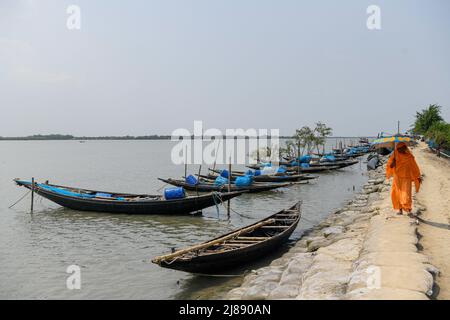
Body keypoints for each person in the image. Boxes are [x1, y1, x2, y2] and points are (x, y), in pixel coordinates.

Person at [386, 142, 422, 215]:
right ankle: (400, 210)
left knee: (406, 194)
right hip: (397, 177)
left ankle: (408, 209)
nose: (399, 150)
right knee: (397, 194)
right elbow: (390, 166)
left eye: (401, 148)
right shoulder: (395, 155)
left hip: (406, 178)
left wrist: (417, 176)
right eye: (398, 149)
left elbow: (414, 167)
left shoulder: (409, 157)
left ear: (405, 148)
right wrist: (393, 163)